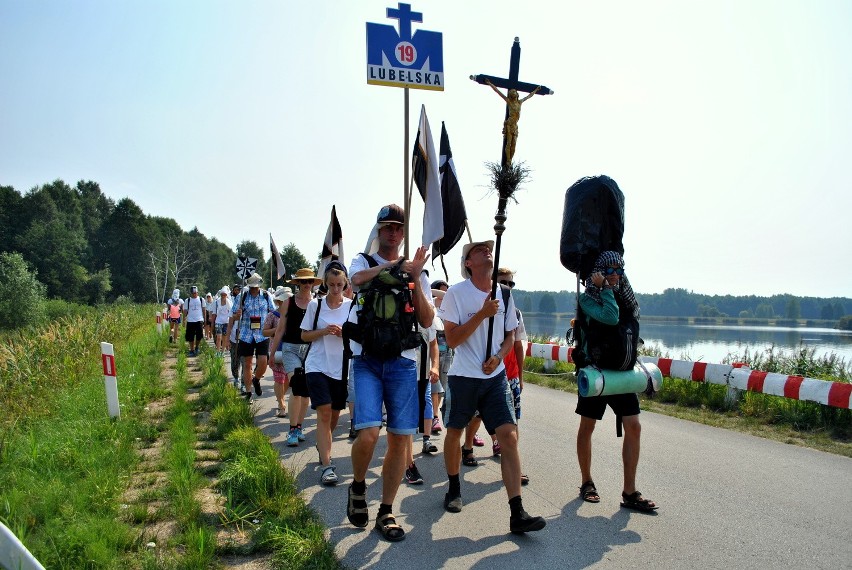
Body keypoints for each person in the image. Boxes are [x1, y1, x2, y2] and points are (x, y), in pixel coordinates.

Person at [439, 240, 545, 534]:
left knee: (509, 436)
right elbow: (453, 339)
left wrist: (498, 356)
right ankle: (453, 487)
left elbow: (510, 336)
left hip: (495, 376)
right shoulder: (456, 295)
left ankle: (517, 512)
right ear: (468, 263)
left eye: (489, 247)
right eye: (478, 250)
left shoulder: (505, 294)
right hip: (464, 376)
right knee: (455, 432)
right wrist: (482, 314)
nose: (487, 250)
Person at [346, 203, 434, 543]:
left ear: (403, 232)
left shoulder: (418, 273)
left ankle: (386, 509)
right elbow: (355, 282)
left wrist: (413, 276)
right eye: (387, 227)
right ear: (378, 231)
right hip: (367, 359)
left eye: (398, 227)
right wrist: (397, 264)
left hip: (402, 361)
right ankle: (357, 486)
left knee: (400, 438)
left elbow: (427, 320)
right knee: (368, 433)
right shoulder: (363, 261)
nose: (393, 232)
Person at [575, 251, 657, 512]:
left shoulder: (626, 298)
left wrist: (613, 288)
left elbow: (632, 314)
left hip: (621, 374)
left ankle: (630, 491)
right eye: (608, 271)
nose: (614, 275)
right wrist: (605, 289)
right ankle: (587, 481)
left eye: (618, 271)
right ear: (597, 273)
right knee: (587, 426)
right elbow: (610, 316)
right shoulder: (587, 300)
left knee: (634, 426)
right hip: (597, 373)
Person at [301, 261, 352, 486]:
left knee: (332, 415)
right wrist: (324, 331)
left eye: (339, 284)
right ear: (325, 284)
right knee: (323, 412)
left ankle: (323, 445)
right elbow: (304, 336)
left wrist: (344, 334)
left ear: (345, 284)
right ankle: (326, 465)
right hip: (317, 364)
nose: (335, 289)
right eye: (331, 284)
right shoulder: (316, 305)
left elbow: (357, 338)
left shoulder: (352, 307)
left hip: (340, 368)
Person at [270, 267, 323, 447]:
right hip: (291, 348)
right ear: (298, 283)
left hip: (310, 349)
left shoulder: (317, 303)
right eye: (303, 281)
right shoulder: (289, 303)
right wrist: (272, 354)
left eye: (310, 281)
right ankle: (292, 429)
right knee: (296, 385)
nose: (307, 285)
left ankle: (299, 426)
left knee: (305, 390)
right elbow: (280, 330)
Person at [231, 272, 274, 399]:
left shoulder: (266, 295)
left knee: (263, 362)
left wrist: (273, 328)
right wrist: (237, 315)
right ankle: (249, 392)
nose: (255, 288)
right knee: (247, 364)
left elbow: (272, 312)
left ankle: (257, 379)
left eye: (256, 286)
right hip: (246, 333)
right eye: (252, 286)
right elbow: (233, 315)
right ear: (249, 286)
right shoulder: (241, 296)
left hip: (262, 333)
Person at [485, 79, 541, 164]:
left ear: (517, 94)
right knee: (508, 143)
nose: (514, 93)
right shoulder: (509, 101)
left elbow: (529, 96)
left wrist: (536, 90)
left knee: (514, 144)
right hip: (509, 124)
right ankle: (508, 160)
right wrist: (490, 83)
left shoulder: (520, 102)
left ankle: (510, 159)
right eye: (512, 92)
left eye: (515, 92)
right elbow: (498, 91)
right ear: (510, 95)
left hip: (515, 125)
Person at [264, 287, 292, 418]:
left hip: (290, 350)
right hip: (276, 349)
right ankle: (281, 404)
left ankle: (280, 397)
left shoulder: (293, 315)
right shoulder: (272, 315)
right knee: (278, 379)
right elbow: (264, 332)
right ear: (279, 302)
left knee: (286, 378)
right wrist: (278, 329)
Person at [183, 286, 206, 357]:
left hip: (199, 319)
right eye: (193, 293)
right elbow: (185, 310)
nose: (194, 294)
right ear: (191, 293)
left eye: (195, 293)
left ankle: (197, 347)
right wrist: (184, 319)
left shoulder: (201, 300)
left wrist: (205, 319)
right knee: (190, 336)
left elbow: (204, 309)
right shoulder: (188, 300)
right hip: (190, 320)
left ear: (197, 293)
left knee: (199, 335)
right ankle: (192, 349)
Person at [212, 287, 233, 357]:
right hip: (218, 321)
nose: (223, 296)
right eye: (222, 294)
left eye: (224, 294)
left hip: (226, 322)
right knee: (218, 337)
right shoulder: (217, 302)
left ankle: (222, 352)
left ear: (226, 295)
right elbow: (214, 312)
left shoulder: (229, 302)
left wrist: (231, 323)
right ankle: (218, 351)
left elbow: (231, 313)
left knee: (224, 337)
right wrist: (213, 321)